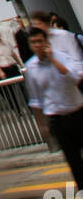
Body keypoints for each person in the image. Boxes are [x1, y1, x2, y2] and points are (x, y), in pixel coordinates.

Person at [24, 28, 83, 189]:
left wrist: (53, 60)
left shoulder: (62, 57)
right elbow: (36, 100)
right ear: (29, 45)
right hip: (58, 120)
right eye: (33, 42)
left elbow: (74, 78)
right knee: (74, 161)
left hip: (78, 114)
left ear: (46, 42)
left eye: (40, 41)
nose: (37, 45)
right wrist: (42, 125)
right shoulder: (31, 68)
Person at [30, 11, 83, 87]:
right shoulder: (38, 43)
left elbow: (76, 58)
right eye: (33, 25)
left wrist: (75, 78)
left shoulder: (63, 35)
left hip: (75, 79)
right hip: (58, 83)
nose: (36, 27)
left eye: (39, 24)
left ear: (47, 24)